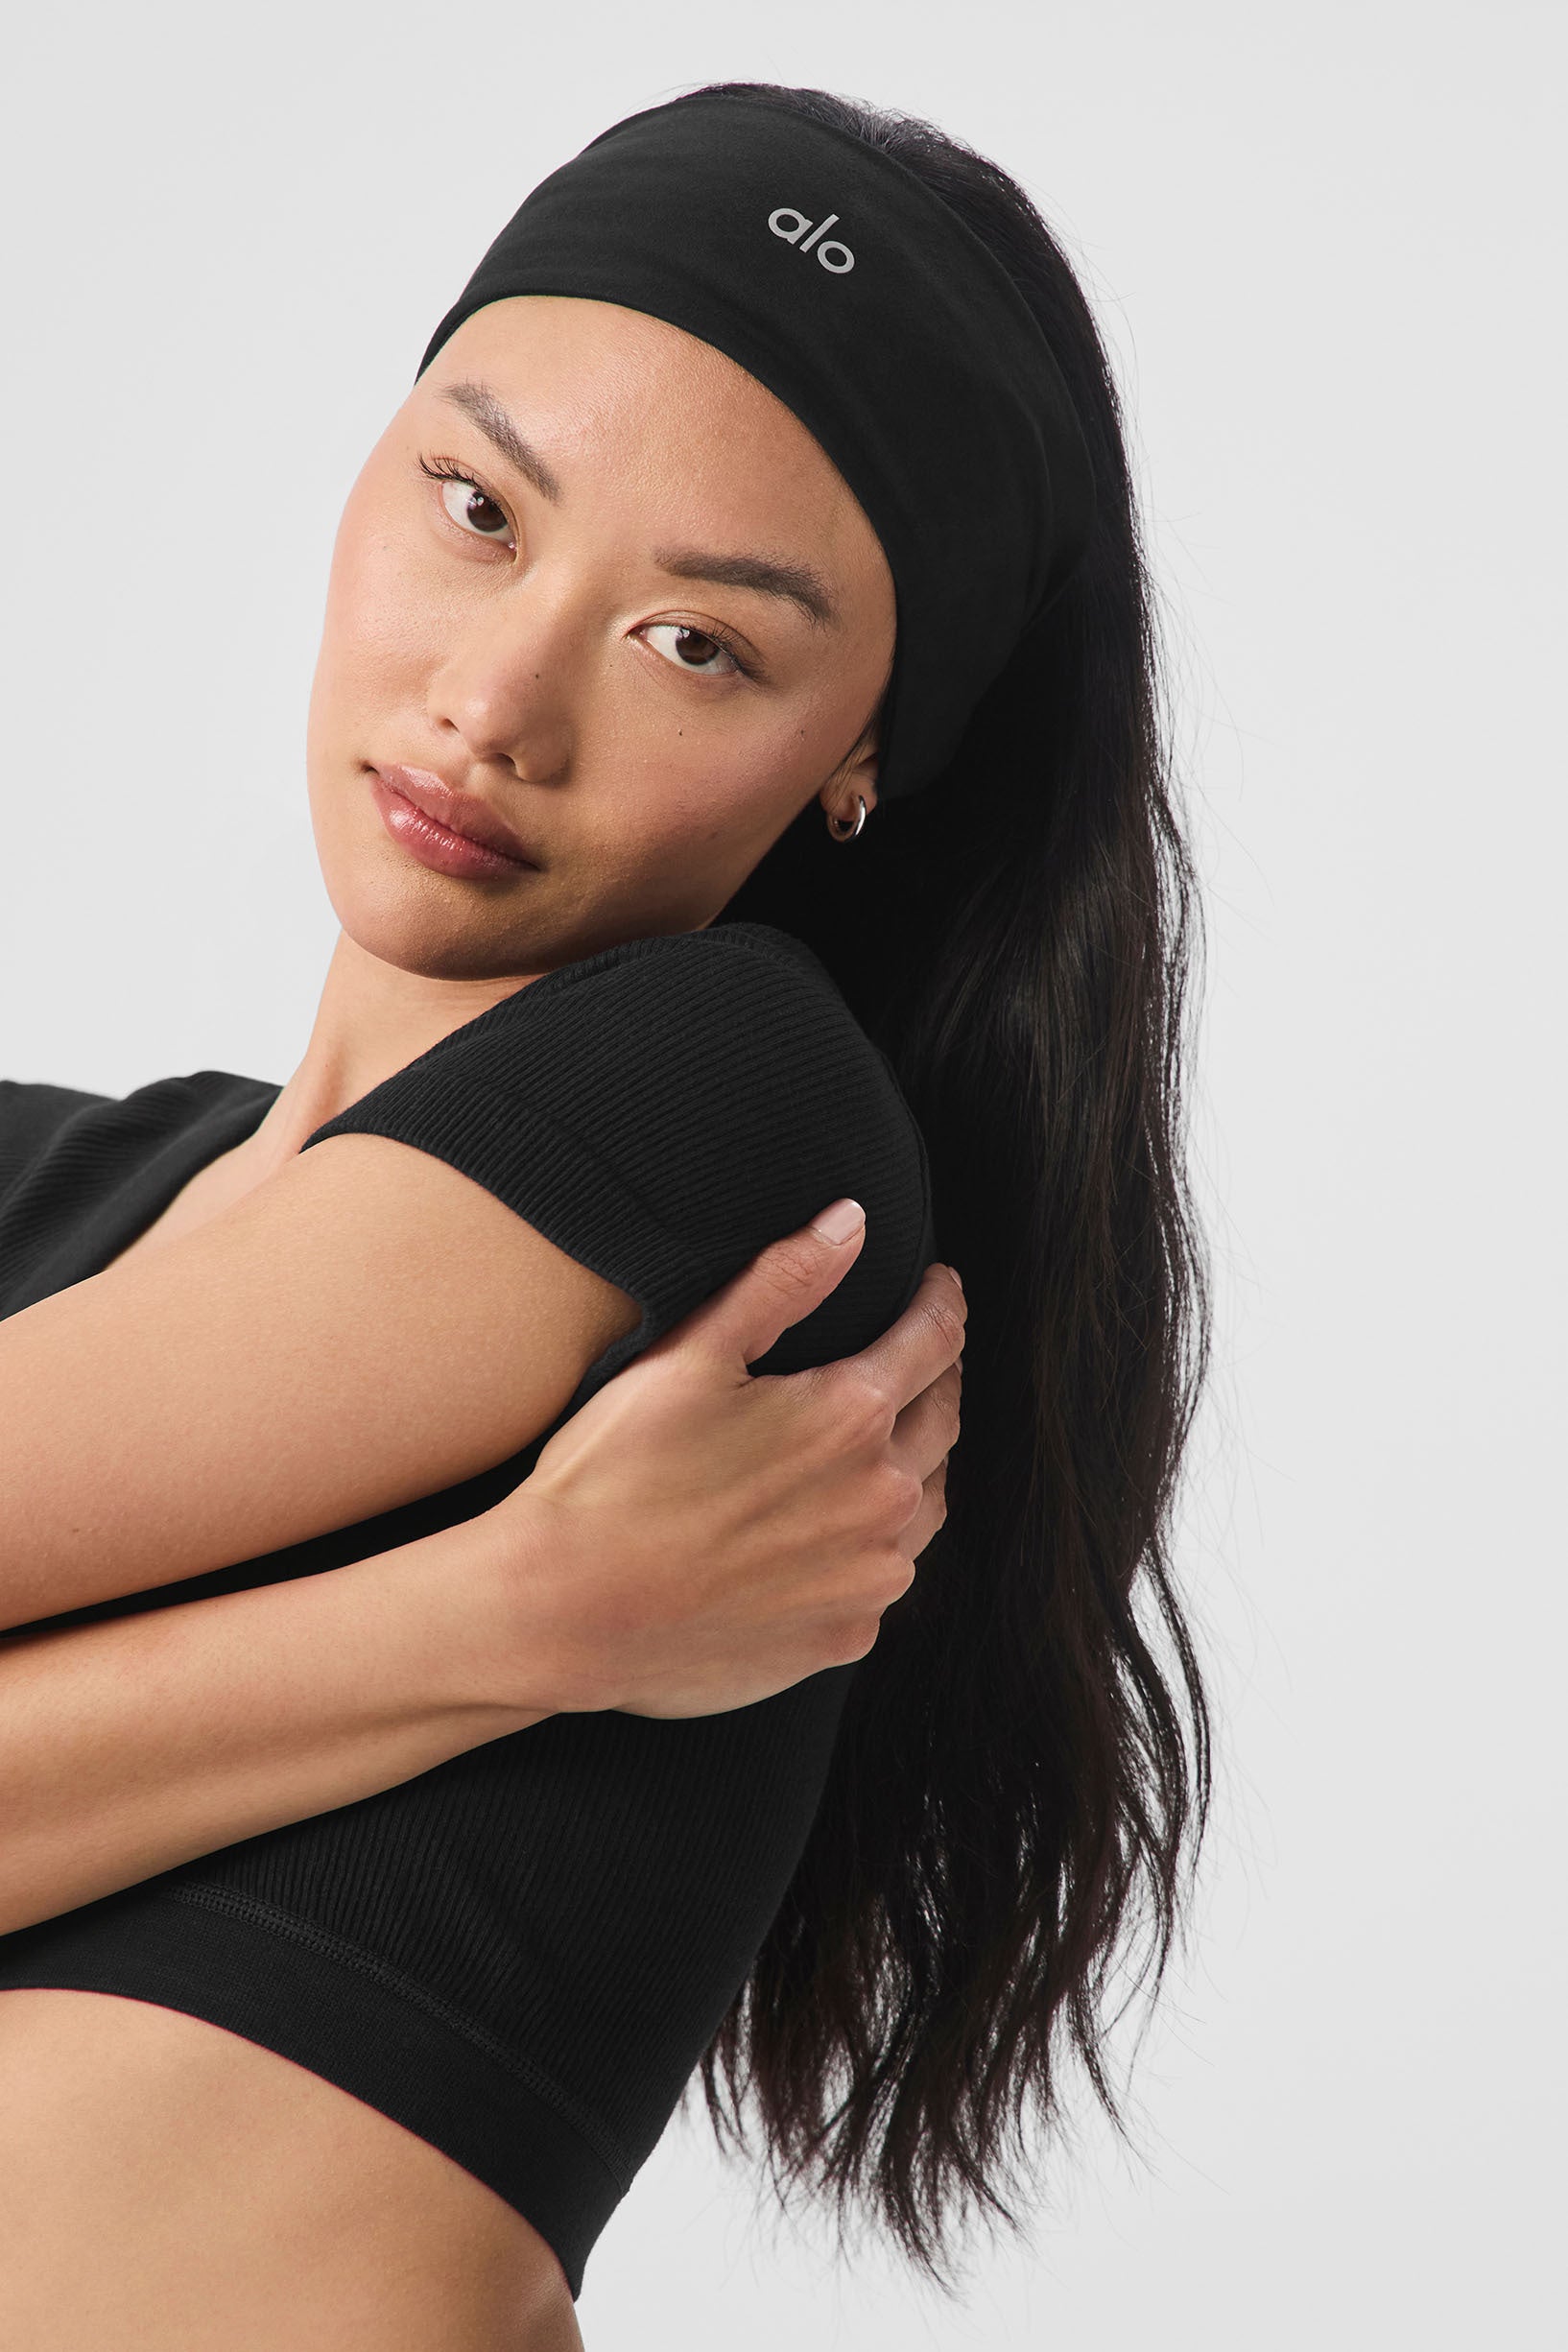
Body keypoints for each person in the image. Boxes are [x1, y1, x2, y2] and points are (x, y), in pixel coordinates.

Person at [0, 77, 1209, 2352]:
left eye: (699, 643)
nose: (496, 701)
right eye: (475, 506)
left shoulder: (730, 1114)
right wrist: (509, 1613)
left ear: (857, 755)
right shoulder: (32, 1189)